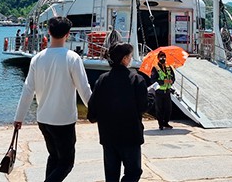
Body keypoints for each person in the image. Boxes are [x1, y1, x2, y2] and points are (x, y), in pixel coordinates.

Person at [13, 16, 92, 182]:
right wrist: (95, 111)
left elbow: (28, 90)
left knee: (54, 156)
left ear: (48, 32)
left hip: (43, 119)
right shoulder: (72, 58)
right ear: (68, 34)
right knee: (66, 162)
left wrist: (19, 118)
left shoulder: (37, 58)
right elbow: (83, 89)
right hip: (63, 120)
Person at [88, 43, 148, 182]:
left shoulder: (103, 79)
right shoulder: (136, 79)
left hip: (108, 135)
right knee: (133, 172)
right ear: (125, 59)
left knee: (111, 174)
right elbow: (143, 107)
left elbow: (93, 106)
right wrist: (150, 96)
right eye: (130, 56)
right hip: (130, 134)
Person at [151, 51, 175, 130]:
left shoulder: (169, 67)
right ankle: (160, 124)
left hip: (167, 91)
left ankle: (166, 122)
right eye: (161, 57)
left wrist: (171, 81)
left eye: (164, 57)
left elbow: (173, 77)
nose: (163, 59)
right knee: (159, 108)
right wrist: (163, 82)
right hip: (159, 91)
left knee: (168, 108)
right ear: (158, 58)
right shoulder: (155, 68)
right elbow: (153, 80)